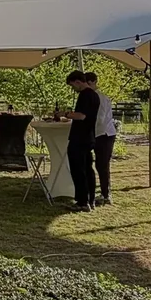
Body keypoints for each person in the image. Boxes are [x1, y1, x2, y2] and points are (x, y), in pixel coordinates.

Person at [62, 70, 100, 211]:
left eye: (73, 86)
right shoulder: (95, 96)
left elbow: (81, 116)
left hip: (80, 137)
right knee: (88, 169)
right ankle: (91, 199)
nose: (73, 89)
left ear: (78, 82)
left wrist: (66, 114)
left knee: (78, 170)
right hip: (89, 136)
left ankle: (82, 202)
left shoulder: (85, 95)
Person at [85, 71, 117, 204]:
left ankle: (106, 195)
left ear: (92, 82)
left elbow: (101, 119)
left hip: (104, 134)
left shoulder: (101, 98)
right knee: (97, 164)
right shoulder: (91, 96)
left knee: (102, 165)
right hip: (97, 133)